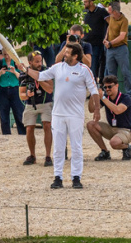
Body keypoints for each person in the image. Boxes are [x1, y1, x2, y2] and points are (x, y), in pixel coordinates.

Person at [25, 42, 98, 190]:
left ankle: (76, 177)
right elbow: (40, 76)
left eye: (67, 52)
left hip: (75, 115)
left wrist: (97, 110)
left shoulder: (84, 70)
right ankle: (58, 177)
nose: (64, 54)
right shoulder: (58, 67)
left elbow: (94, 90)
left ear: (75, 56)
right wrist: (25, 70)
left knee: (76, 147)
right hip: (58, 114)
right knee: (58, 147)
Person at [86, 74, 131, 161]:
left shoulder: (125, 98)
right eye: (105, 87)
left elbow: (117, 110)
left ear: (117, 85)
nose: (107, 89)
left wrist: (103, 98)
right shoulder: (106, 98)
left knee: (114, 143)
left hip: (126, 130)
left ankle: (126, 147)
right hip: (112, 128)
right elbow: (91, 110)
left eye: (110, 87)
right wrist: (93, 96)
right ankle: (105, 151)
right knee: (90, 124)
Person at [18, 51, 53, 166]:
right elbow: (21, 94)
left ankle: (48, 156)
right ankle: (32, 155)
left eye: (40, 61)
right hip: (30, 103)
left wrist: (38, 78)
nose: (39, 64)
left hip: (45, 102)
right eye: (37, 61)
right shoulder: (23, 74)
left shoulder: (46, 71)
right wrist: (28, 95)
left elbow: (50, 89)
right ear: (30, 63)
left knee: (47, 125)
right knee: (29, 128)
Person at [0, 51, 25, 136]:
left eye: (8, 54)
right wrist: (0, 73)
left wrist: (14, 71)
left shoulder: (17, 62)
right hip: (2, 90)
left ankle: (23, 136)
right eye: (5, 54)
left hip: (15, 90)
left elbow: (23, 78)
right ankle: (6, 136)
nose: (6, 57)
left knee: (19, 115)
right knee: (4, 117)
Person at [103, 0, 131, 95]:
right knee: (111, 74)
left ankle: (128, 93)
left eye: (110, 11)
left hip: (120, 48)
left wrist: (110, 43)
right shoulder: (111, 18)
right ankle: (112, 93)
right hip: (110, 49)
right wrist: (105, 38)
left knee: (125, 72)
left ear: (115, 11)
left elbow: (122, 36)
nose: (109, 13)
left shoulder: (124, 20)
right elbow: (108, 28)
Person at [83, 0, 109, 84]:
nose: (84, 3)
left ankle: (94, 87)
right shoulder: (85, 12)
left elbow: (110, 23)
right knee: (87, 67)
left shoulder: (101, 11)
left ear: (91, 2)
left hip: (97, 43)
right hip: (86, 43)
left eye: (86, 2)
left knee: (94, 66)